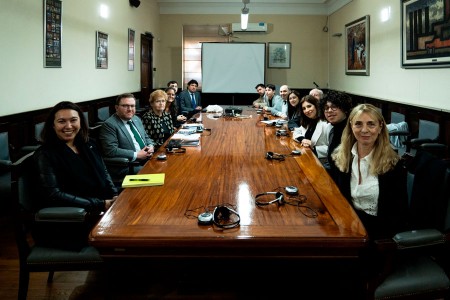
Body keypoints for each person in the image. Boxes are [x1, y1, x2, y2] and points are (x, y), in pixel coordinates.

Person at [33, 101, 118, 246]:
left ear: (81, 122)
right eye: (61, 121)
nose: (68, 126)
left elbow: (104, 172)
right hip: (72, 221)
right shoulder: (45, 154)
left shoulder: (88, 144)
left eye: (73, 120)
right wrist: (101, 204)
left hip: (100, 211)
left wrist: (114, 195)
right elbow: (54, 195)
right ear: (52, 125)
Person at [331, 103, 408, 240]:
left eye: (371, 124)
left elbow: (397, 214)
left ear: (380, 127)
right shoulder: (340, 158)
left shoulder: (393, 165)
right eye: (358, 124)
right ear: (351, 126)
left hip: (379, 236)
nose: (364, 130)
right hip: (348, 226)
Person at [99, 93, 155, 179]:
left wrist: (151, 146)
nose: (130, 109)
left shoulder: (136, 119)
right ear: (116, 108)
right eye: (125, 106)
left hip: (146, 159)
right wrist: (136, 155)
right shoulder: (109, 125)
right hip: (127, 166)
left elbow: (146, 138)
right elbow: (110, 150)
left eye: (132, 106)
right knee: (155, 173)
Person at [321, 90, 353, 176]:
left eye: (334, 107)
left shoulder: (352, 130)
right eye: (326, 108)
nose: (329, 111)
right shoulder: (333, 129)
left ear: (345, 109)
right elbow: (332, 161)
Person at [293, 95, 330, 161]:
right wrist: (302, 139)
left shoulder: (326, 124)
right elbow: (297, 131)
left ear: (316, 106)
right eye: (304, 108)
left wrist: (313, 146)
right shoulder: (308, 121)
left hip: (321, 161)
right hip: (307, 156)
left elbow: (333, 149)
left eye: (309, 106)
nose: (307, 110)